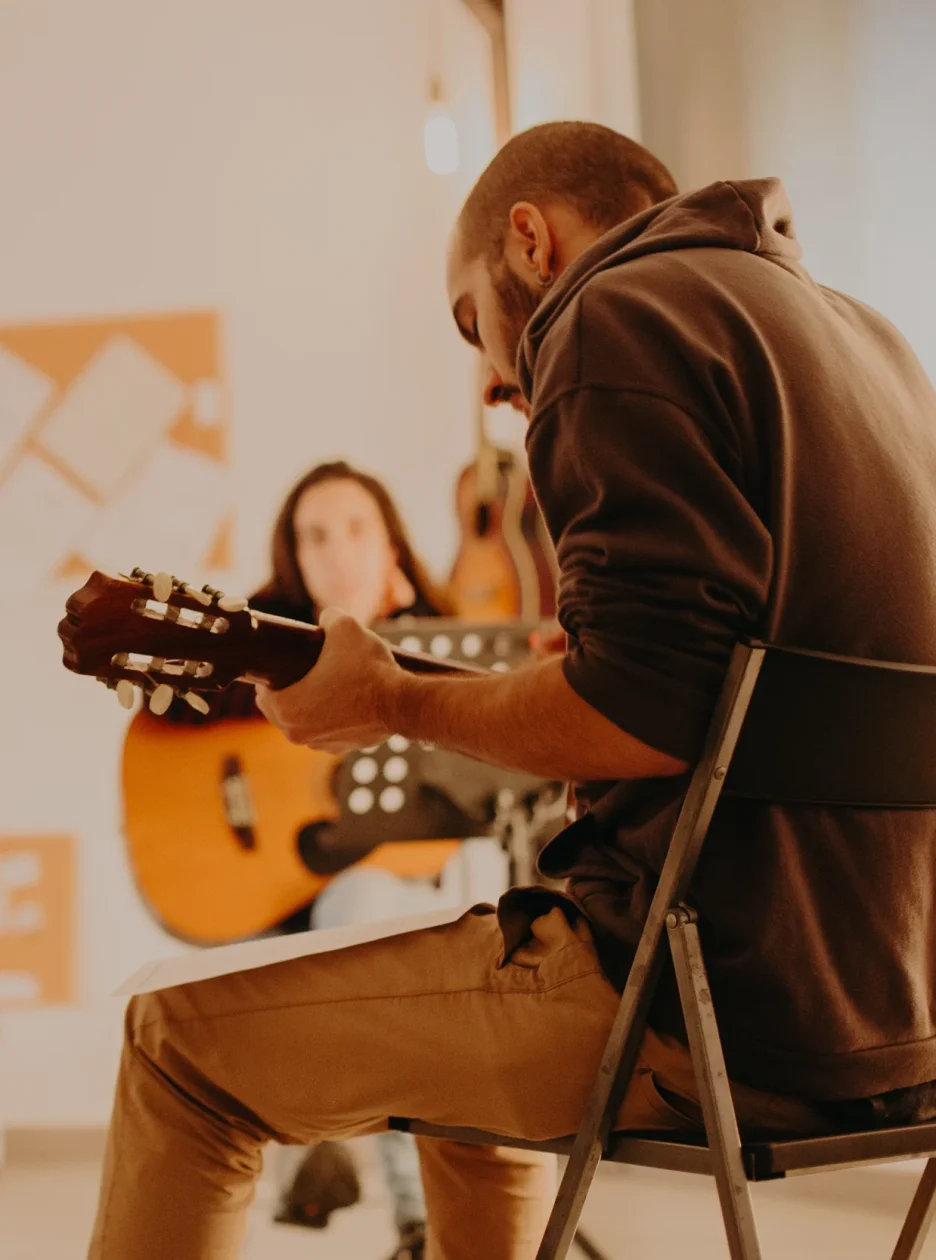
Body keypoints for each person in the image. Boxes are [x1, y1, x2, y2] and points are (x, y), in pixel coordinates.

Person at [87, 121, 936, 1260]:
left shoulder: (611, 314)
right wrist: (580, 674)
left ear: (532, 241)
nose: (493, 378)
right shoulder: (866, 339)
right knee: (459, 1070)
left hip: (710, 1006)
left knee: (169, 1043)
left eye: (470, 324)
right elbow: (722, 681)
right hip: (901, 1017)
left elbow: (644, 712)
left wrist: (393, 699)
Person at [166, 459, 451, 1260]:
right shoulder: (259, 639)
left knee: (354, 912)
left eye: (357, 528)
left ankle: (407, 1215)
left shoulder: (442, 636)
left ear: (391, 540)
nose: (338, 552)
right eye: (314, 535)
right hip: (277, 903)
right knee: (225, 988)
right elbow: (177, 728)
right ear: (292, 555)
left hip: (393, 900)